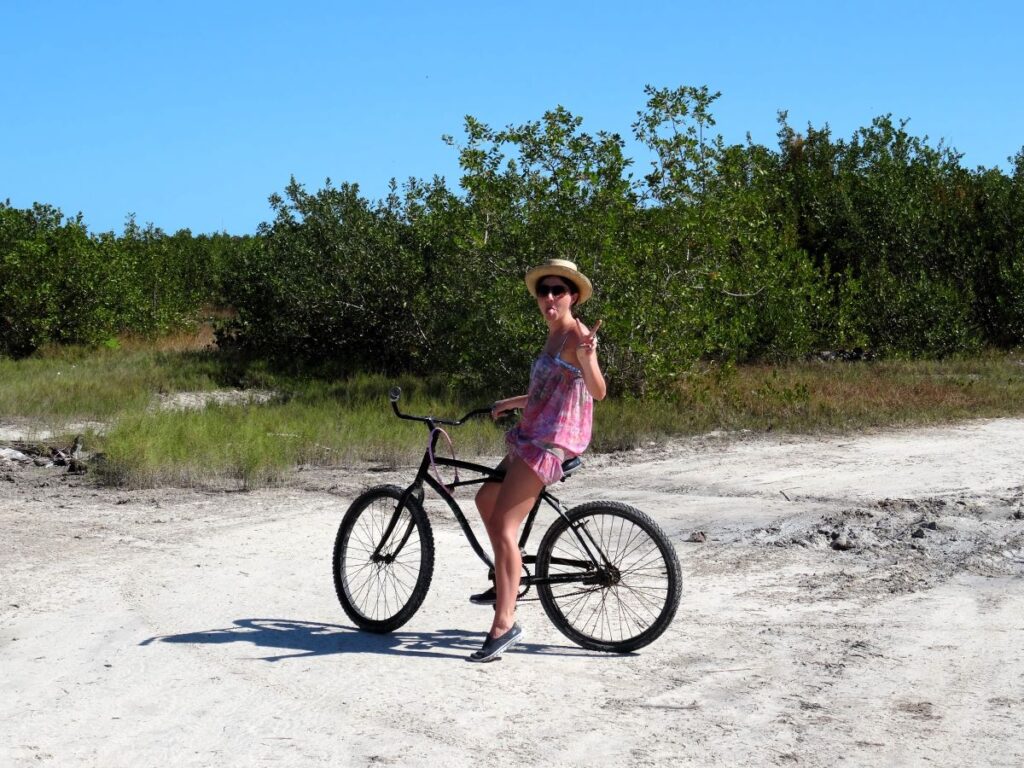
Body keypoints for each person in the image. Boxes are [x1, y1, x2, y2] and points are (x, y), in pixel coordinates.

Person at [469, 258, 606, 662]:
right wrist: (507, 403)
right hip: (532, 433)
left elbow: (597, 391)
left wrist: (588, 357)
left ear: (572, 297)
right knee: (484, 500)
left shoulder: (576, 336)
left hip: (551, 441)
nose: (549, 297)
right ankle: (507, 574)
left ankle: (503, 623)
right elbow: (547, 392)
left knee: (503, 524)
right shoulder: (551, 336)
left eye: (558, 291)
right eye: (544, 291)